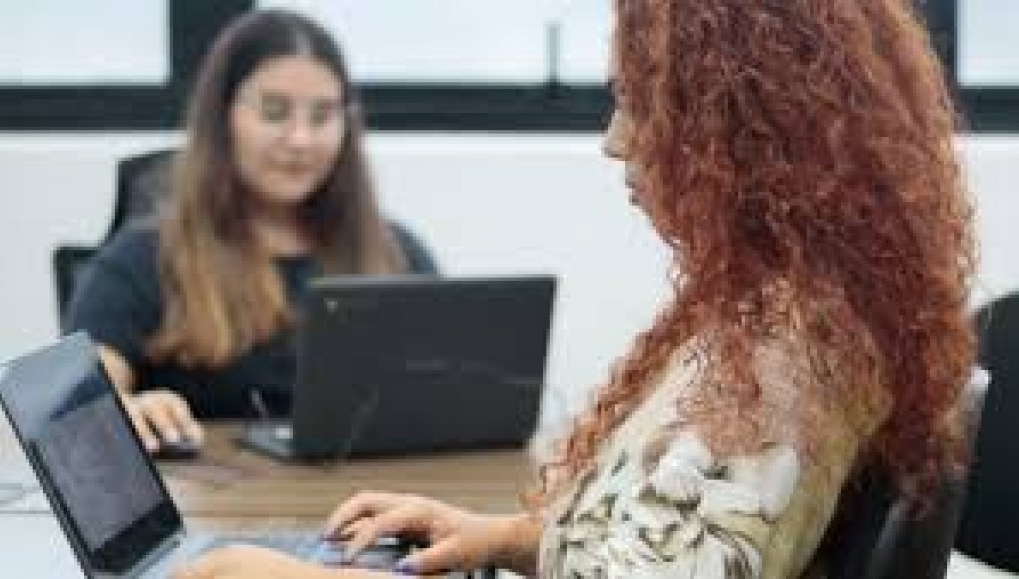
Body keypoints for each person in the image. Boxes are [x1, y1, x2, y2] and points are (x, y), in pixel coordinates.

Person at [172, 0, 975, 576]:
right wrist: (507, 536)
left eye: (637, 106)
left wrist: (278, 575)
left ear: (738, 128)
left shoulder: (788, 355)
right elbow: (658, 544)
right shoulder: (784, 309)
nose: (613, 142)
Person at [65, 9, 437, 454]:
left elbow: (449, 394)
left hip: (370, 494)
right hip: (210, 494)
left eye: (322, 116)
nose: (301, 139)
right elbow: (79, 404)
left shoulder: (395, 253)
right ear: (222, 116)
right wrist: (125, 408)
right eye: (274, 112)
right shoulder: (145, 257)